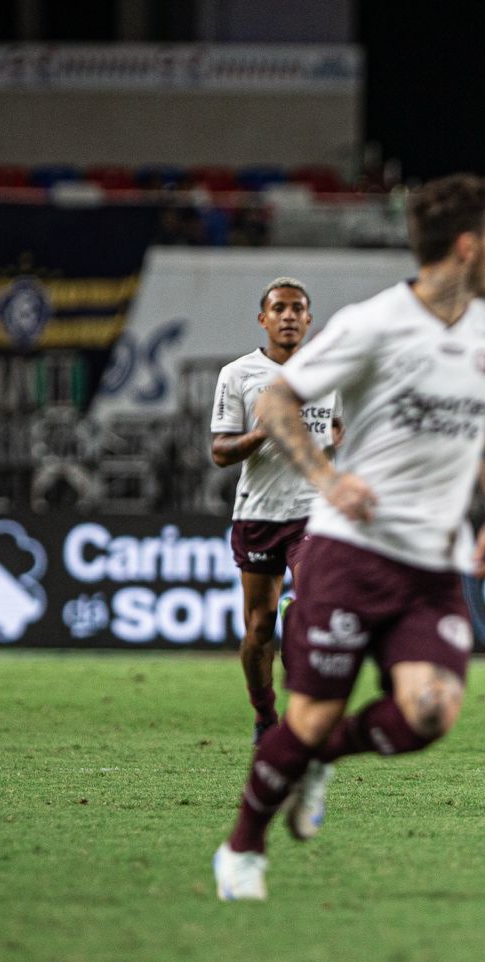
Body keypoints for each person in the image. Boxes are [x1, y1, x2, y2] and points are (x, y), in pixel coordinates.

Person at [212, 173, 485, 901]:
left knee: (430, 713)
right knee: (309, 713)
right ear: (468, 246)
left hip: (433, 565)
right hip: (351, 554)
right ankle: (243, 847)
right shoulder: (374, 323)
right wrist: (325, 477)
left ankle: (321, 757)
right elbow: (278, 400)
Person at [210, 278, 341, 744]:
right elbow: (220, 452)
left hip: (313, 513)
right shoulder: (239, 374)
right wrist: (261, 433)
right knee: (259, 627)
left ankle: (299, 623)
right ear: (263, 319)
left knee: (314, 603)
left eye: (297, 309)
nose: (288, 316)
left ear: (309, 318)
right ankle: (265, 715)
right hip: (259, 514)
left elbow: (341, 427)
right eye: (279, 309)